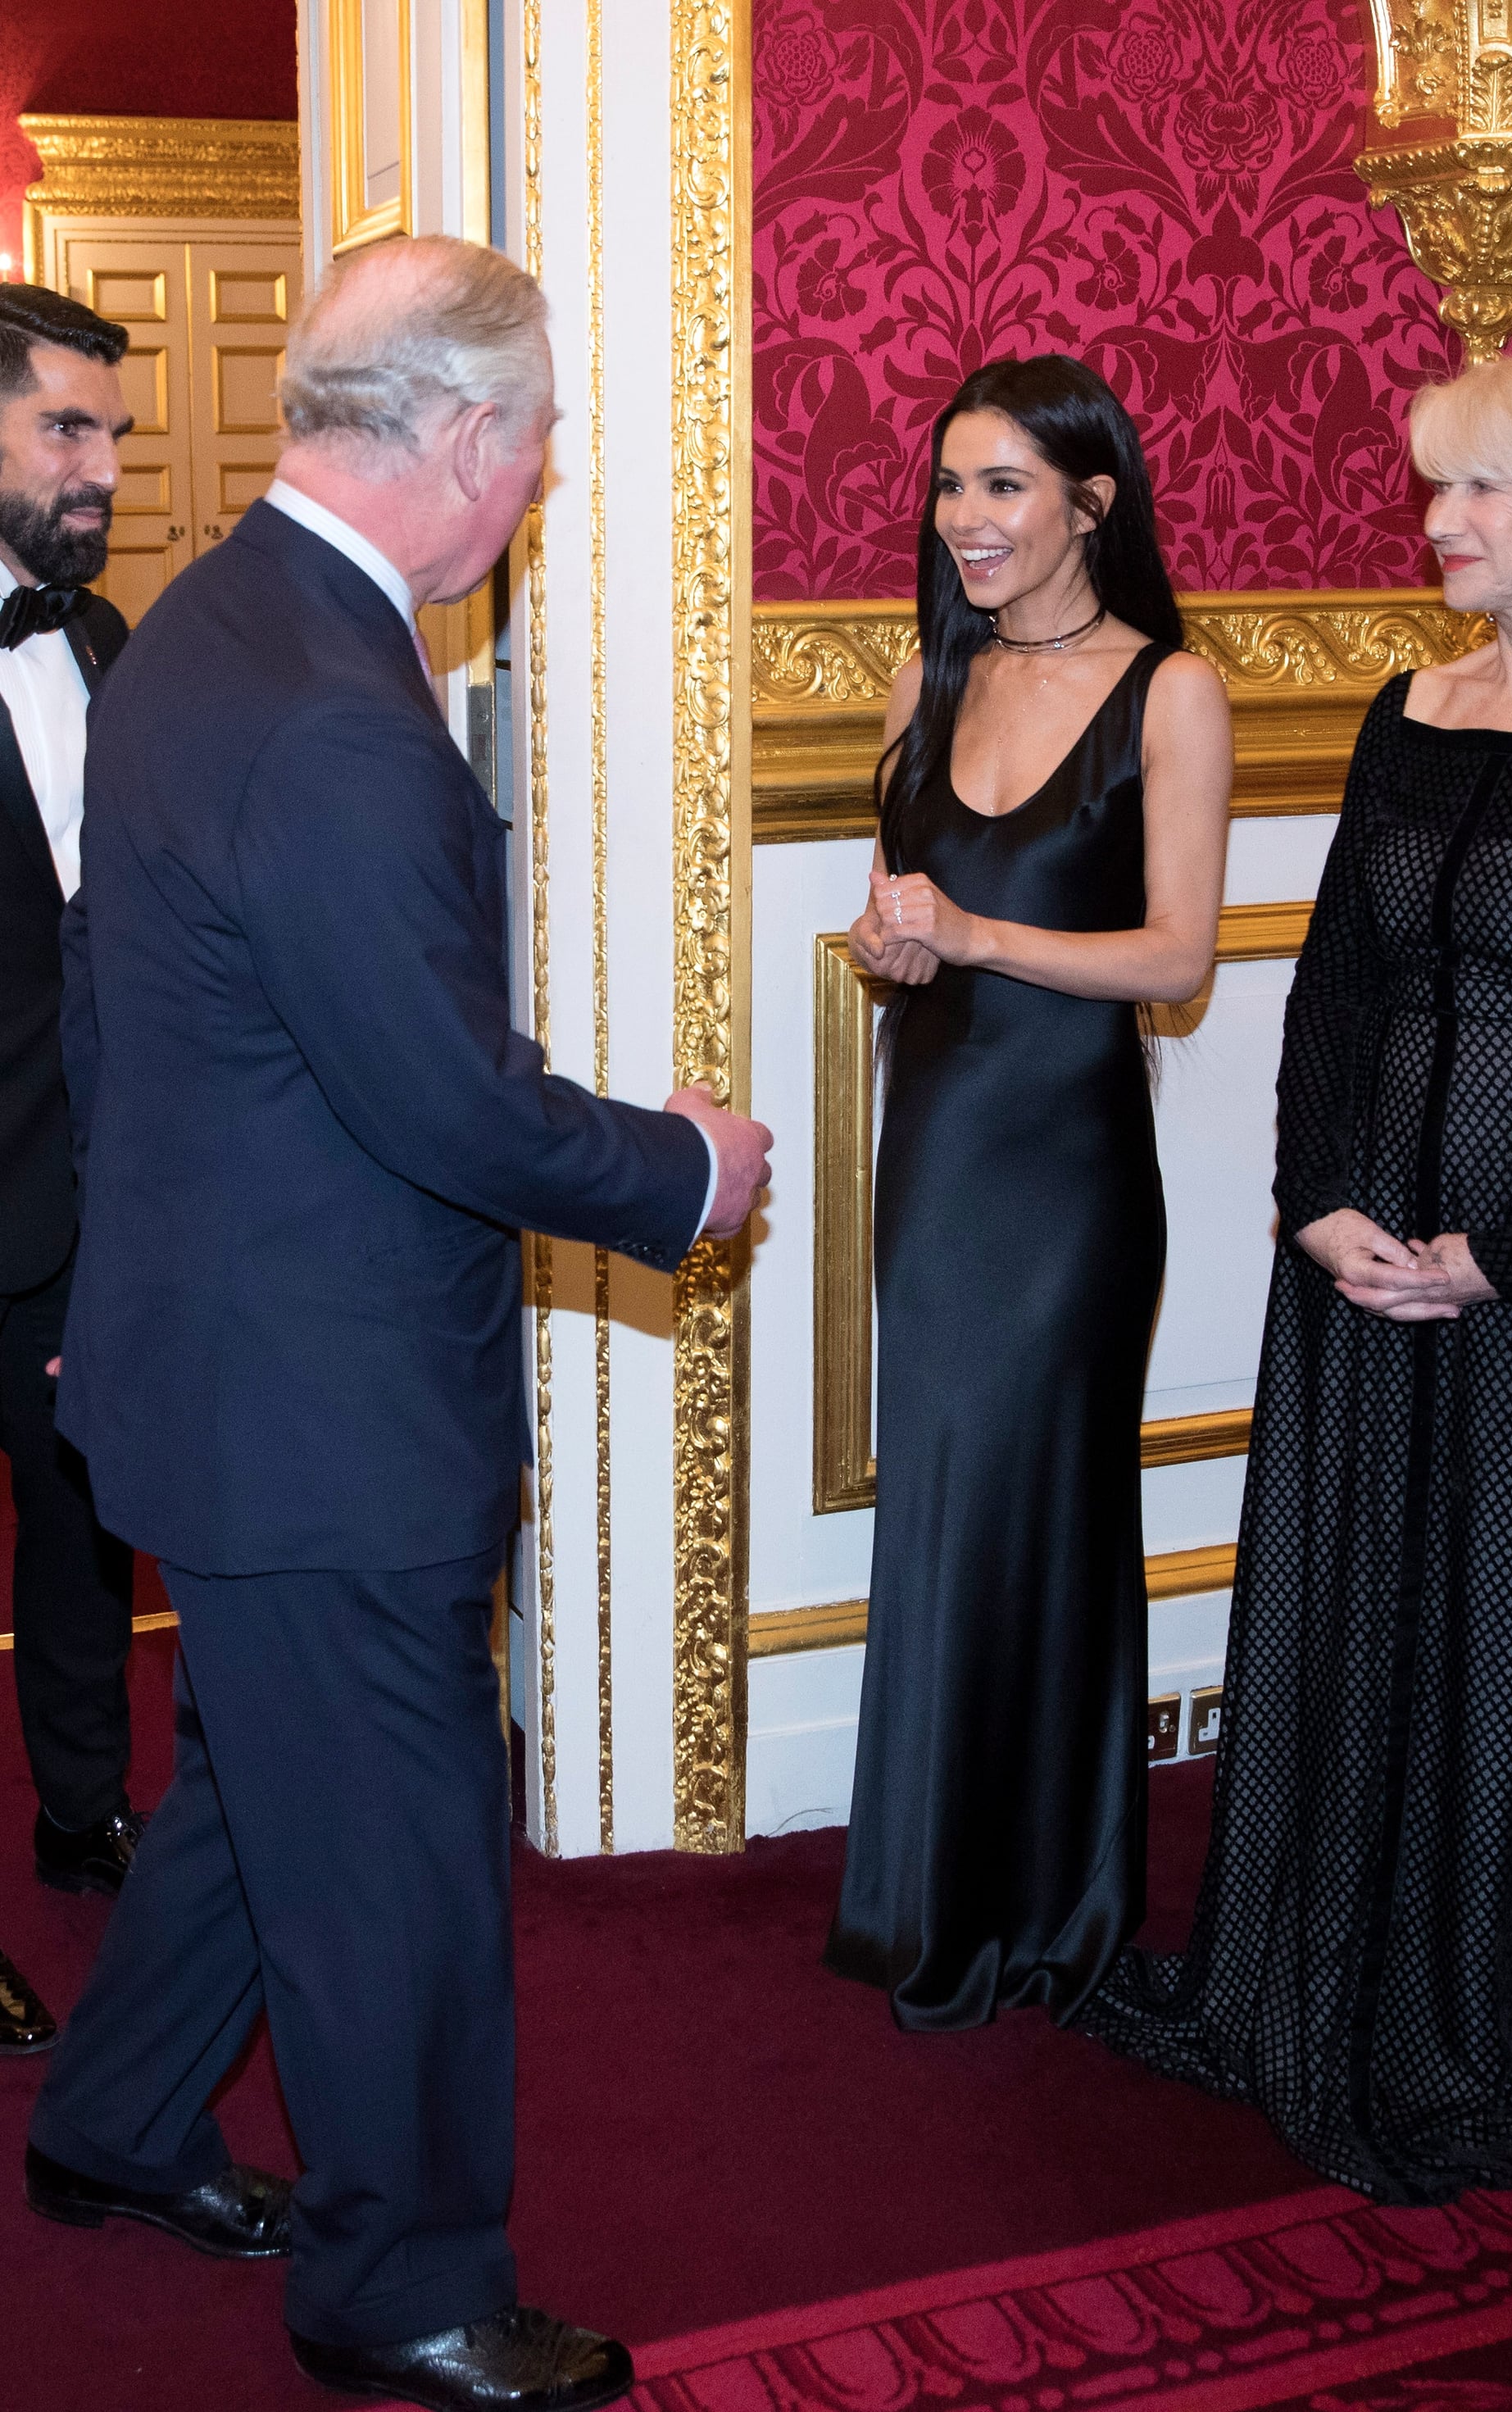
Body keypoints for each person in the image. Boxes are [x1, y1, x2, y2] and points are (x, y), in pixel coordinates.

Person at [23, 236, 772, 2412]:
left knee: (267, 1805)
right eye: (534, 449)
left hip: (218, 1363)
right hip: (321, 1415)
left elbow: (119, 1031)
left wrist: (116, 1302)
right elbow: (446, 1101)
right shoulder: (331, 710)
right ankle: (405, 2288)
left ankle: (115, 2126)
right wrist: (686, 1167)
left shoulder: (187, 631)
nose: (533, 489)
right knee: (403, 1869)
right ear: (461, 436)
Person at [1081, 343, 1512, 2204]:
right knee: (1365, 1601)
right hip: (1361, 1260)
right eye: (1437, 487)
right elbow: (1336, 975)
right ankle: (1317, 1955)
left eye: (1475, 492)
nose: (1435, 524)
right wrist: (1316, 1196)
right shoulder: (1406, 702)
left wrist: (1504, 1252)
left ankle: (1503, 2000)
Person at [824, 356, 1232, 2030]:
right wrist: (885, 941)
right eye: (948, 486)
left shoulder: (1170, 692)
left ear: (1090, 501)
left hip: (1065, 1180)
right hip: (935, 1154)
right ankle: (924, 1890)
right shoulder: (931, 678)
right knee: (940, 1497)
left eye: (1002, 485)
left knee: (1045, 1510)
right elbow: (893, 910)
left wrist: (978, 935)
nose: (966, 520)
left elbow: (1179, 956)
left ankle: (1047, 1907)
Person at [0, 285, 142, 2060]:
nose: (105, 466)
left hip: (77, 1192)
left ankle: (85, 1807)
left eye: (110, 430)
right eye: (66, 430)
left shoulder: (102, 641)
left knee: (89, 1522)